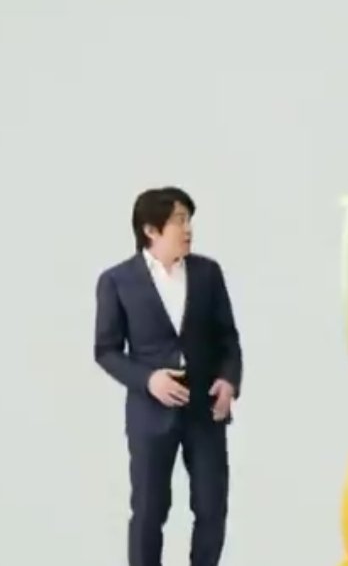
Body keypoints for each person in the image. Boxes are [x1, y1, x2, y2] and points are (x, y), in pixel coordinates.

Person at [93, 186, 243, 566]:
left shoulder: (208, 273)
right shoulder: (117, 281)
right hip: (150, 415)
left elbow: (228, 338)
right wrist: (148, 380)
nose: (188, 228)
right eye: (179, 220)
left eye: (189, 219)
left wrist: (229, 381)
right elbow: (106, 350)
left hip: (205, 412)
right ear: (150, 230)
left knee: (212, 508)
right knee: (149, 511)